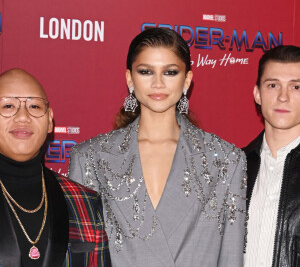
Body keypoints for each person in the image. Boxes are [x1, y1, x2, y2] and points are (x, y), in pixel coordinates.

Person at [69, 28, 247, 266]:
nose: (158, 83)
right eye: (146, 71)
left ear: (187, 80)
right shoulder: (90, 159)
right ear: (130, 79)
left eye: (170, 72)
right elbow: (83, 256)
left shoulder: (226, 160)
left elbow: (231, 258)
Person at [0, 69, 111, 267]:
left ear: (50, 120)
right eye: (8, 106)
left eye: (34, 106)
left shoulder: (86, 203)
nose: (23, 116)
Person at [243, 45, 300, 267]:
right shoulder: (235, 167)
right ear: (258, 94)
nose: (283, 97)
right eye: (273, 85)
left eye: (296, 87)